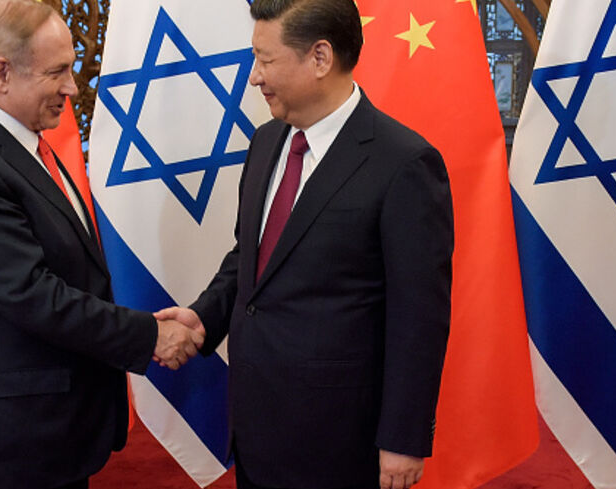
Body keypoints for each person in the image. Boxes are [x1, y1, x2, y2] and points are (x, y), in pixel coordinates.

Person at [155, 1, 453, 488]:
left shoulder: (404, 163)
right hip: (255, 429)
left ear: (320, 58)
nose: (254, 78)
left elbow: (419, 317)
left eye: (265, 60)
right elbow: (249, 258)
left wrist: (403, 438)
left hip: (340, 443)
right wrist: (204, 317)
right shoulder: (266, 141)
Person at [0, 1, 202, 488]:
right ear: (1, 73)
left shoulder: (22, 143)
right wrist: (148, 336)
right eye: (58, 72)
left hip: (49, 428)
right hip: (12, 441)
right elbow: (33, 296)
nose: (73, 87)